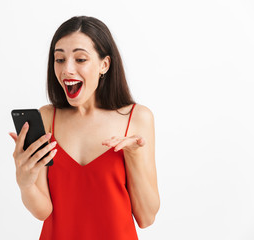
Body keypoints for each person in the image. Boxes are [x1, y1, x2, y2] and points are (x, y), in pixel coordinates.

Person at [9, 16, 160, 240]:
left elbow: (146, 218)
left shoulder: (137, 118)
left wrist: (134, 155)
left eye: (80, 59)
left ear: (104, 64)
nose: (67, 69)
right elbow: (43, 211)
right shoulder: (47, 117)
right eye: (59, 59)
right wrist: (25, 182)